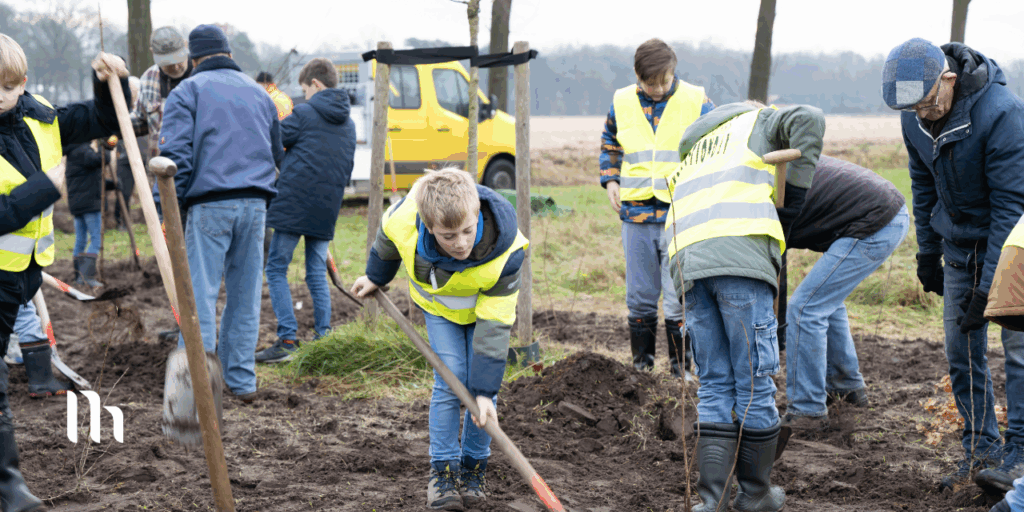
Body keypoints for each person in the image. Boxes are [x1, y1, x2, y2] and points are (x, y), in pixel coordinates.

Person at [665, 99, 825, 512]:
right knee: (754, 384)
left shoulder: (696, 149)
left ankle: (711, 501)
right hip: (739, 262)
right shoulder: (757, 120)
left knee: (715, 382)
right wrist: (794, 203)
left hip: (687, 265)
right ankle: (754, 494)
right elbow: (809, 118)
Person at [881, 38, 1024, 492]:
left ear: (949, 78)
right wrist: (928, 253)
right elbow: (923, 184)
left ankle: (1021, 456)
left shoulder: (1002, 113)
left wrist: (990, 288)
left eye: (928, 103)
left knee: (1019, 353)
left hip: (1015, 247)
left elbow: (1011, 207)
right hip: (959, 249)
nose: (922, 115)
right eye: (913, 109)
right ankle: (981, 450)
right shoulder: (915, 117)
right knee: (961, 354)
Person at [0, 31, 130, 512]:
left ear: (23, 83)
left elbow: (106, 118)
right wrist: (46, 187)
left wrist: (109, 81)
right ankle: (10, 486)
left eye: (7, 86)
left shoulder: (43, 117)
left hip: (20, 276)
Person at [351, 169, 528, 510]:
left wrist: (485, 390)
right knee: (450, 379)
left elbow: (494, 327)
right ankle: (443, 472)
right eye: (448, 236)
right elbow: (387, 242)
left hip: (485, 316)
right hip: (439, 310)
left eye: (468, 230)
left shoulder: (507, 251)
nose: (460, 243)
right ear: (429, 225)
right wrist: (376, 276)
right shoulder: (405, 219)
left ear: (477, 213)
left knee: (481, 393)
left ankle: (474, 470)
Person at [160, 24, 283, 404]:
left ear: (193, 59)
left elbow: (175, 157)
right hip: (256, 204)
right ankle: (241, 382)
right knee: (246, 297)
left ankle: (196, 389)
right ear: (229, 54)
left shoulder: (187, 91)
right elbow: (276, 152)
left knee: (199, 298)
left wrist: (173, 211)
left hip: (210, 203)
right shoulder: (260, 94)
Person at [599, 38, 713, 379]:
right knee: (640, 297)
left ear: (673, 71)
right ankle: (643, 371)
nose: (659, 88)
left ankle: (681, 372)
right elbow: (610, 144)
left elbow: (715, 141)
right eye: (651, 83)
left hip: (679, 213)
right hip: (635, 214)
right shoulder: (621, 101)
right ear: (637, 75)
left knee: (678, 296)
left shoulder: (696, 99)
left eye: (665, 80)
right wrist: (611, 180)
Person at [780, 156, 909, 432]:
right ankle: (846, 387)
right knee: (824, 302)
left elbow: (773, 274)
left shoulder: (764, 191)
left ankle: (807, 410)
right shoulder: (777, 171)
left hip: (874, 221)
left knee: (804, 308)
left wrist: (777, 331)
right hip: (884, 212)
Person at [256, 58, 355, 363]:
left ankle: (287, 339)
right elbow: (347, 166)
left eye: (304, 89)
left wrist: (282, 166)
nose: (305, 95)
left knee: (276, 268)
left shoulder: (304, 112)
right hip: (327, 206)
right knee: (315, 273)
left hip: (294, 202)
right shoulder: (349, 123)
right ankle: (323, 338)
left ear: (315, 83)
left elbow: (273, 140)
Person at [64, 140, 110, 288]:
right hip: (90, 204)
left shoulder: (73, 152)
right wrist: (107, 147)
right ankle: (86, 277)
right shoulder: (82, 150)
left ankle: (79, 276)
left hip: (78, 204)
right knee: (96, 239)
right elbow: (101, 160)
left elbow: (88, 177)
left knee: (81, 240)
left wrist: (112, 184)